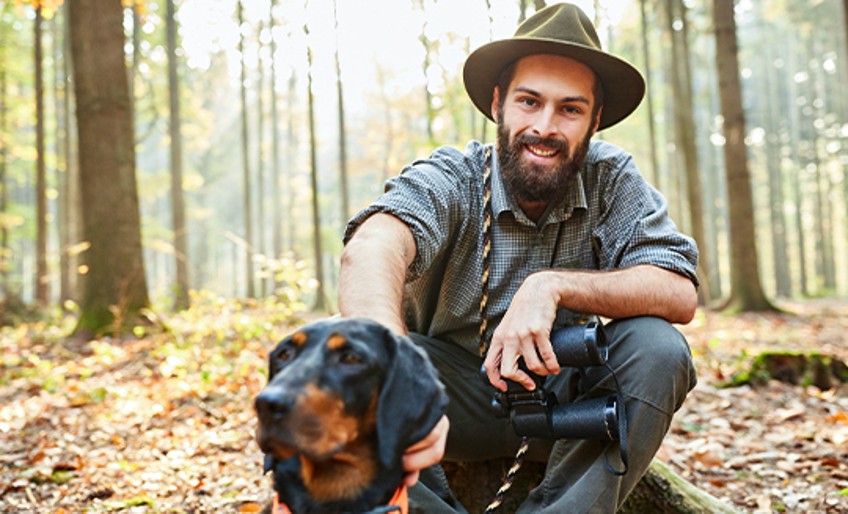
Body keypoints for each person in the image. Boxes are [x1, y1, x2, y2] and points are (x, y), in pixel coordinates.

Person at [338, 3, 699, 512]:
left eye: (570, 109)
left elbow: (678, 289)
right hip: (446, 398)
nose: (545, 127)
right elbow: (372, 246)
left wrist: (552, 285)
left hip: (565, 398)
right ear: (497, 104)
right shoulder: (454, 175)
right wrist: (394, 364)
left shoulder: (611, 178)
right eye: (529, 101)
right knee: (339, 357)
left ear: (594, 120)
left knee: (658, 347)